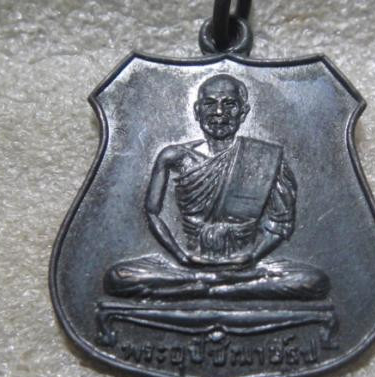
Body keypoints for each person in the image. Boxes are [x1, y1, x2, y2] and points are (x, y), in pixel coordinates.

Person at [104, 74, 329, 300]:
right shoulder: (173, 156)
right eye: (209, 104)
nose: (219, 112)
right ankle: (224, 289)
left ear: (243, 112)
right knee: (118, 277)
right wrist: (180, 256)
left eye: (229, 104)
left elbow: (281, 223)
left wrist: (251, 257)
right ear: (197, 111)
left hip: (246, 267)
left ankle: (204, 289)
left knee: (314, 281)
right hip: (188, 265)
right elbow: (153, 212)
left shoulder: (266, 158)